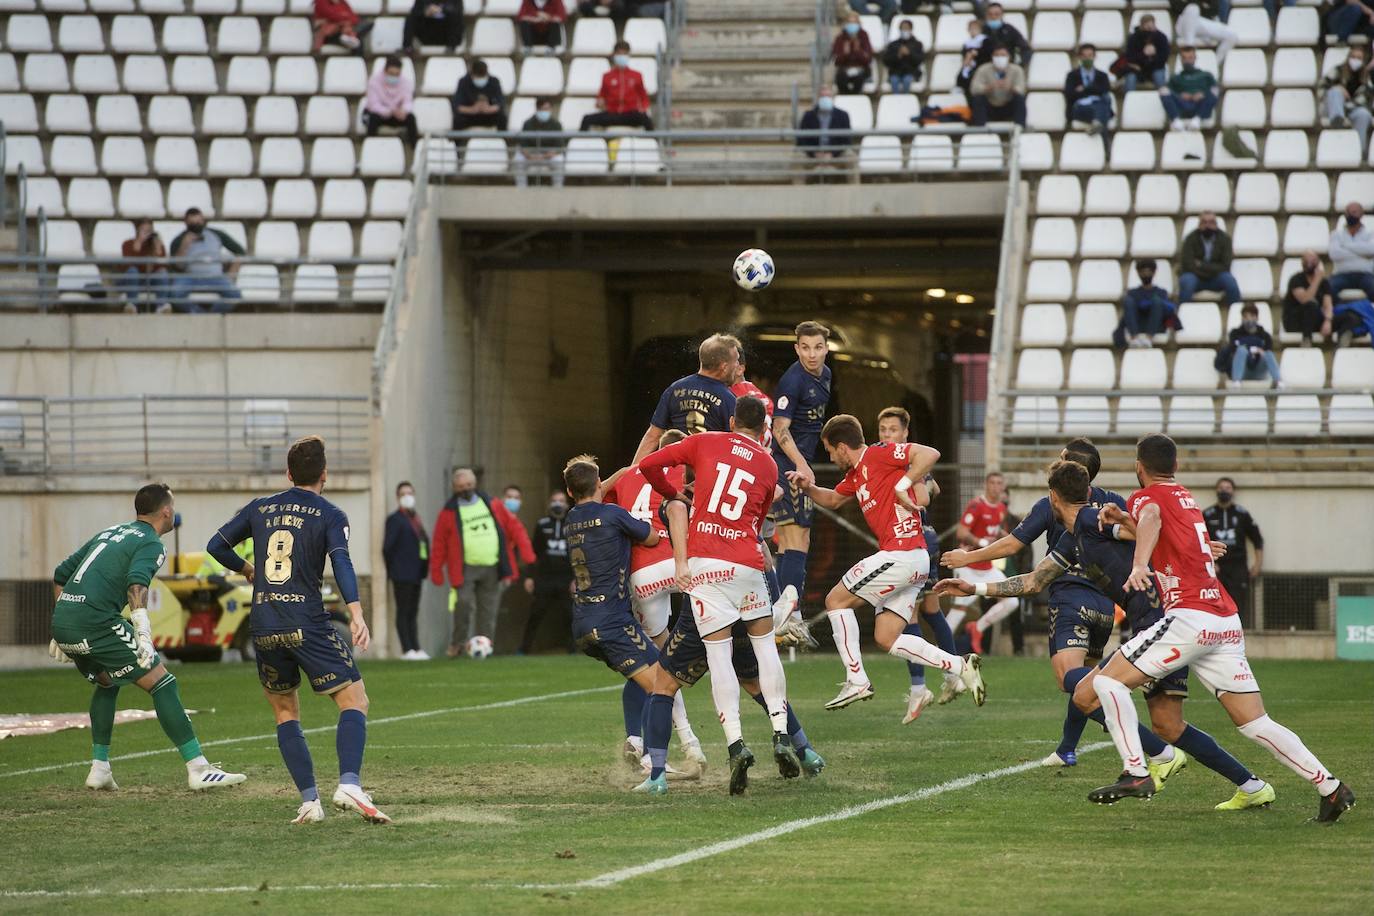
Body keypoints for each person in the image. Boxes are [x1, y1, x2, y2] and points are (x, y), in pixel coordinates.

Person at [934, 460, 1275, 812]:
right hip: (1152, 623)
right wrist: (972, 586)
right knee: (1166, 723)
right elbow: (1034, 581)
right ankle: (1250, 785)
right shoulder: (1073, 538)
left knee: (1088, 692)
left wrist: (1192, 545)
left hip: (1164, 625)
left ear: (1053, 496)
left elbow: (1141, 529)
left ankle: (1140, 766)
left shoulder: (1094, 520)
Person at [1088, 434, 1353, 822]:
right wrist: (1123, 519)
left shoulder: (1145, 497)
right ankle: (1330, 787)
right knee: (1254, 722)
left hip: (1191, 618)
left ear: (1138, 467)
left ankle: (1136, 772)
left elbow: (1150, 519)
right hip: (1225, 620)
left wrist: (1139, 563)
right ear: (1175, 467)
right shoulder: (1186, 496)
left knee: (1106, 683)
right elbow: (1159, 528)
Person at [206, 436, 385, 824]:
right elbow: (341, 562)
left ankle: (309, 802)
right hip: (307, 621)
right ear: (325, 475)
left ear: (288, 474)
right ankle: (350, 784)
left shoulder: (259, 507)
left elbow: (215, 545)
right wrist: (356, 613)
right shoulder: (330, 514)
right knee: (355, 701)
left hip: (264, 623)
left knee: (286, 711)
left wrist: (246, 569)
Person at [638, 396, 798, 796]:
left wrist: (671, 493)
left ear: (730, 420)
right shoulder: (768, 462)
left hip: (706, 565)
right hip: (746, 563)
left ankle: (736, 744)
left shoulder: (706, 441)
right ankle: (781, 734)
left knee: (718, 656)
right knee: (764, 650)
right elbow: (758, 520)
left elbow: (648, 465)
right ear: (764, 429)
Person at [48, 483, 245, 793]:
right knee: (162, 682)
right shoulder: (151, 542)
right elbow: (137, 584)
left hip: (64, 623)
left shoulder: (110, 532)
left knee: (107, 681)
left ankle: (100, 768)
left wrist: (64, 621)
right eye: (174, 507)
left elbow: (61, 574)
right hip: (97, 622)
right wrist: (141, 628)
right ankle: (198, 768)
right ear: (166, 511)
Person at [941, 440, 1123, 766]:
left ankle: (1128, 726)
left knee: (1071, 680)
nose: (1057, 461)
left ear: (1073, 467)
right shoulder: (1112, 503)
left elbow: (1013, 544)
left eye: (1062, 458)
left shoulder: (1053, 501)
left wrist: (967, 557)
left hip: (1069, 599)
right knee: (1083, 683)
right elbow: (1143, 530)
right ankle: (1067, 748)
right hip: (1106, 605)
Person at [791, 415, 985, 712]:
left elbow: (930, 454)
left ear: (842, 447)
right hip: (912, 559)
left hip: (902, 554)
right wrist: (807, 487)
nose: (830, 457)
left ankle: (856, 679)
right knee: (886, 637)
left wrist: (903, 484)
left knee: (835, 600)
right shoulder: (857, 474)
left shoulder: (878, 453)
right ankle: (960, 666)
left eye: (830, 451)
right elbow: (831, 500)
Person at [600, 431, 706, 769]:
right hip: (681, 562)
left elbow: (597, 491)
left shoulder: (633, 473)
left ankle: (639, 738)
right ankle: (692, 742)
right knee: (705, 651)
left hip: (642, 577)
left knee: (649, 664)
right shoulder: (691, 472)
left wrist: (624, 470)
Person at [876, 406, 960, 723]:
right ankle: (952, 676)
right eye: (882, 430)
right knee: (931, 610)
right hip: (920, 541)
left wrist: (904, 486)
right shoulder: (900, 462)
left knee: (908, 613)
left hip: (914, 543)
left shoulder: (908, 462)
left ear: (905, 434)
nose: (887, 435)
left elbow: (924, 495)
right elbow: (933, 488)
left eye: (892, 430)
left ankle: (919, 687)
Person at [769, 322, 832, 615]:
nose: (812, 354)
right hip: (788, 465)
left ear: (826, 348)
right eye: (805, 348)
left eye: (817, 347)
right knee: (795, 537)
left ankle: (785, 613)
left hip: (799, 463)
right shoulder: (792, 381)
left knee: (795, 540)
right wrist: (801, 463)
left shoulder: (826, 375)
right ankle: (789, 616)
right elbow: (780, 428)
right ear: (797, 349)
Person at [429, 467, 517, 657]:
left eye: (468, 485)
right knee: (462, 603)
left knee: (488, 610)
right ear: (454, 488)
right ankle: (458, 644)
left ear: (475, 484)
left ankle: (486, 646)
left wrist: (514, 565)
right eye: (460, 486)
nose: (465, 489)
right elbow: (439, 543)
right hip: (465, 568)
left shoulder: (491, 503)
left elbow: (511, 528)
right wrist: (436, 570)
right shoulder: (448, 512)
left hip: (491, 566)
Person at [629, 332, 740, 463]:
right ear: (724, 366)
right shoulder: (729, 399)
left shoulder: (674, 389)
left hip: (673, 469)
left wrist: (633, 472)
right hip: (706, 473)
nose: (738, 366)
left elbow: (653, 435)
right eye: (736, 361)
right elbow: (736, 446)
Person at [944, 471, 1018, 658]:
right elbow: (961, 532)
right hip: (968, 564)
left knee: (1012, 600)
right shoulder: (976, 505)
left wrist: (1004, 536)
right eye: (992, 482)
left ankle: (977, 627)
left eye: (999, 483)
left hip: (987, 567)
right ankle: (939, 649)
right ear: (986, 485)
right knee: (959, 609)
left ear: (1003, 487)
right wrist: (982, 543)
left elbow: (995, 530)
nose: (995, 486)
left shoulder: (1001, 508)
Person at [519, 489, 574, 654]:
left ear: (567, 504)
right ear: (550, 504)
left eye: (561, 501)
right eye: (555, 501)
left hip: (566, 578)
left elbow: (580, 553)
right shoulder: (542, 525)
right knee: (536, 614)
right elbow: (533, 552)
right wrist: (529, 576)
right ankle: (524, 649)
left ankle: (573, 650)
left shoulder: (573, 525)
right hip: (545, 578)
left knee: (570, 615)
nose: (558, 504)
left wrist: (577, 579)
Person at [1204, 477, 1264, 626]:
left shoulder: (1242, 514)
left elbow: (1257, 540)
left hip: (1238, 567)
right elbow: (1198, 541)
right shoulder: (1207, 514)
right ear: (1216, 490)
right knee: (1215, 604)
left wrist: (1257, 564)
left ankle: (1237, 634)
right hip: (1216, 568)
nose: (1224, 490)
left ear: (1233, 491)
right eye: (1221, 487)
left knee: (1238, 604)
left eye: (1228, 488)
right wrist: (1210, 562)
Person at [382, 481, 429, 660]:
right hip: (402, 573)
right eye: (403, 494)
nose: (407, 497)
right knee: (403, 610)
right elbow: (387, 548)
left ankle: (416, 647)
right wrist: (393, 569)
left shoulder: (415, 518)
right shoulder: (395, 520)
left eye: (410, 493)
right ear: (398, 497)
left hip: (416, 573)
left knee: (412, 611)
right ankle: (407, 648)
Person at [167, 208, 244, 313]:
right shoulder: (179, 240)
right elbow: (177, 266)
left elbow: (240, 251)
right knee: (175, 294)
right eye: (192, 223)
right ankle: (198, 313)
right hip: (191, 277)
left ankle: (212, 315)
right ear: (186, 223)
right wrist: (184, 246)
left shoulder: (216, 234)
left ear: (203, 221)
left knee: (235, 295)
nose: (196, 225)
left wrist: (232, 272)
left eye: (198, 222)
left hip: (215, 276)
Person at [1283, 250, 1360, 348]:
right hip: (1295, 322)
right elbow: (1305, 299)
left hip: (1314, 320)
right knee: (1311, 304)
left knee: (1350, 317)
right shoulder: (1296, 279)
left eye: (1312, 260)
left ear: (1318, 262)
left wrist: (1327, 321)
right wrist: (1317, 279)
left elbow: (1327, 304)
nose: (1309, 263)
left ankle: (1341, 346)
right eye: (1306, 261)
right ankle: (1307, 341)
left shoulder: (1324, 282)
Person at [580, 42, 654, 131]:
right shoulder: (607, 76)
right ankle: (581, 144)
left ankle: (653, 144)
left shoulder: (637, 75)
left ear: (628, 55)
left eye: (624, 54)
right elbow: (601, 96)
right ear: (614, 55)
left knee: (646, 120)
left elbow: (644, 97)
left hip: (630, 114)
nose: (622, 56)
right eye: (619, 54)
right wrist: (600, 102)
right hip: (612, 114)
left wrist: (643, 107)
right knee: (587, 119)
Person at [1177, 210, 1241, 306]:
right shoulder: (1190, 239)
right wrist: (1211, 269)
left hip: (1216, 278)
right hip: (1195, 277)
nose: (1207, 226)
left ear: (1216, 225)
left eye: (1211, 222)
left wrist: (1201, 265)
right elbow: (1188, 265)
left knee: (1230, 281)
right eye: (1204, 222)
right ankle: (1182, 314)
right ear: (1199, 225)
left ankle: (1235, 315)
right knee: (1187, 282)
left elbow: (1225, 266)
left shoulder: (1225, 239)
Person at [1114, 258, 1180, 349]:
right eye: (1143, 271)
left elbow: (1167, 312)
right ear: (1138, 273)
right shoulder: (1132, 293)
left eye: (1148, 271)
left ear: (1154, 272)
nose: (1145, 274)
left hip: (1156, 327)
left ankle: (1149, 338)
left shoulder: (1161, 292)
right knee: (1128, 301)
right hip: (1137, 326)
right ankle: (1134, 338)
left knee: (1157, 302)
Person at [1321, 45, 1372, 159]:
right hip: (1332, 107)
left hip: (1352, 108)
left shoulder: (1365, 78)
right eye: (1353, 56)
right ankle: (1337, 121)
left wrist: (1346, 103)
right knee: (1335, 92)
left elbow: (1364, 99)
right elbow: (1322, 88)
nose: (1355, 60)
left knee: (1364, 114)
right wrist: (1338, 88)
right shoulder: (1337, 70)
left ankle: (1359, 149)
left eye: (1359, 58)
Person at [117, 218, 170, 314]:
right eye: (144, 230)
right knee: (132, 271)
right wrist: (138, 245)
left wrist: (158, 250)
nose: (147, 233)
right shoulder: (128, 244)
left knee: (162, 272)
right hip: (132, 279)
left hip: (151, 279)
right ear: (137, 231)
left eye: (149, 230)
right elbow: (126, 266)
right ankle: (132, 305)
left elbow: (163, 266)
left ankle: (161, 306)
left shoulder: (157, 244)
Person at [363, 55, 418, 147]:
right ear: (385, 71)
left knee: (411, 118)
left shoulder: (406, 83)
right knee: (373, 118)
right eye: (391, 73)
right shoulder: (374, 81)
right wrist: (390, 111)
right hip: (379, 114)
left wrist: (403, 111)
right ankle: (370, 147)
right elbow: (374, 105)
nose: (394, 77)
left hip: (397, 114)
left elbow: (408, 102)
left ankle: (415, 148)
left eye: (397, 74)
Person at [1160, 45, 1219, 131]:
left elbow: (1216, 89)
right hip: (1182, 106)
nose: (1187, 61)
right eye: (1184, 58)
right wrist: (1180, 95)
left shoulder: (1206, 75)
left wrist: (1203, 94)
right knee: (1163, 91)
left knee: (1215, 90)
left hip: (1201, 105)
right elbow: (1169, 93)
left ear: (1195, 58)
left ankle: (1197, 120)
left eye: (1190, 57)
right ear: (1181, 60)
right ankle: (1176, 121)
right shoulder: (1175, 78)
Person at [1064, 43, 1113, 141]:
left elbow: (1105, 90)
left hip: (1099, 106)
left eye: (1090, 56)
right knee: (1104, 110)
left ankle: (1096, 124)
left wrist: (1085, 89)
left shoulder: (1102, 76)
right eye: (1084, 56)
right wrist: (1094, 90)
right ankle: (1106, 150)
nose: (1087, 59)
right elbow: (1070, 95)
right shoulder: (1072, 75)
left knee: (1104, 103)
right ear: (1080, 57)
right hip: (1080, 109)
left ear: (1095, 57)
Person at [1225, 304, 1281, 385]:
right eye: (1245, 317)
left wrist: (1260, 352)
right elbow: (1233, 349)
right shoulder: (1234, 334)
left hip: (1259, 370)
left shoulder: (1265, 336)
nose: (1249, 319)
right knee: (1241, 350)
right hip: (1243, 370)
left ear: (1257, 317)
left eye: (1252, 316)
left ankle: (1279, 381)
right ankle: (1236, 382)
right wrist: (1250, 350)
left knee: (1268, 354)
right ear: (1242, 318)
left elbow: (1268, 349)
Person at [1328, 201, 1374, 301]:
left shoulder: (1370, 233)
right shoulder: (1336, 234)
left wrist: (1345, 246)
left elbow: (1371, 250)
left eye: (1354, 212)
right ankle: (1339, 313)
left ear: (1361, 214)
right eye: (1348, 212)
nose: (1350, 215)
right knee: (1327, 289)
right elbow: (1334, 254)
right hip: (1342, 275)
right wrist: (1362, 254)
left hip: (1365, 275)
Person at [516, 96, 565, 188]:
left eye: (547, 109)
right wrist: (530, 156)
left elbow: (559, 145)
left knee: (559, 160)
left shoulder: (556, 124)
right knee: (519, 159)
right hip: (531, 155)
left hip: (548, 156)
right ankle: (521, 188)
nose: (545, 112)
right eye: (542, 109)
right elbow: (523, 145)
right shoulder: (528, 123)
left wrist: (545, 156)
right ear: (537, 109)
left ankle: (558, 188)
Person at [969, 50, 1027, 127]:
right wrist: (988, 87)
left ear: (1009, 57)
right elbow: (974, 89)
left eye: (1003, 55)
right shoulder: (983, 69)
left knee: (1019, 99)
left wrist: (1011, 88)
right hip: (990, 107)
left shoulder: (1017, 70)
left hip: (1008, 106)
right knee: (978, 99)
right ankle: (980, 129)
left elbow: (1021, 90)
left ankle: (1019, 128)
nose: (1000, 58)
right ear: (992, 57)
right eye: (996, 55)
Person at [796, 87, 853, 162]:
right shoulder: (808, 115)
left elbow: (847, 141)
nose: (825, 98)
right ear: (818, 98)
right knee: (797, 158)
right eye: (822, 96)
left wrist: (832, 154)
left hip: (836, 154)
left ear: (833, 98)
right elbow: (801, 140)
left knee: (851, 157)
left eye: (828, 96)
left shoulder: (843, 115)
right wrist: (814, 153)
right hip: (813, 154)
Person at [452, 59, 507, 137]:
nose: (481, 79)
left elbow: (501, 102)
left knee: (502, 118)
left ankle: (504, 143)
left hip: (489, 115)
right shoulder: (463, 82)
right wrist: (472, 109)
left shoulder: (494, 81)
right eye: (478, 76)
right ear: (472, 74)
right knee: (457, 120)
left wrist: (490, 108)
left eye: (483, 76)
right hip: (470, 116)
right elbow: (456, 105)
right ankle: (456, 147)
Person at [1172, 1, 1237, 63]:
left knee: (1232, 36)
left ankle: (1214, 65)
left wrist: (1199, 6)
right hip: (1185, 22)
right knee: (1192, 8)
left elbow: (1214, 9)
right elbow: (1177, 6)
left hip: (1203, 21)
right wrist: (1201, 5)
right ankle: (1190, 49)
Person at [1120, 13, 1170, 93]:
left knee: (1159, 77)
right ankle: (1129, 101)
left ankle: (1165, 99)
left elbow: (1164, 57)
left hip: (1156, 67)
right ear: (1141, 26)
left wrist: (1154, 56)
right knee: (1130, 78)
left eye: (1151, 26)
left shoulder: (1161, 37)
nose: (1149, 29)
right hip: (1137, 69)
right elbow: (1129, 57)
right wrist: (1144, 54)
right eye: (1146, 26)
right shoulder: (1133, 38)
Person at [499, 484, 536, 587]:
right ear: (502, 499)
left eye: (516, 498)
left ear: (521, 502)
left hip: (507, 570)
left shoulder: (517, 523)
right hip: (498, 570)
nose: (512, 500)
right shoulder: (496, 520)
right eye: (509, 497)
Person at [832, 11, 874, 94]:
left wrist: (858, 51)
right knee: (840, 77)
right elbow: (837, 61)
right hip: (844, 68)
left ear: (859, 23)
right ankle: (845, 97)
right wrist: (845, 53)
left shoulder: (864, 36)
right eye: (850, 22)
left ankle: (856, 97)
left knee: (859, 78)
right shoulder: (840, 38)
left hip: (861, 68)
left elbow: (868, 59)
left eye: (854, 22)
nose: (852, 25)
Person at [883, 18, 924, 94]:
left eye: (907, 28)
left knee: (907, 80)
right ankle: (896, 101)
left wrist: (909, 54)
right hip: (895, 72)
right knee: (894, 80)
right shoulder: (893, 44)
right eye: (903, 28)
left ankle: (906, 100)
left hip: (911, 72)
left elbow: (919, 60)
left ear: (911, 29)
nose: (905, 30)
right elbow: (886, 60)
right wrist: (898, 55)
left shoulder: (917, 44)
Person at [957, 18, 986, 94]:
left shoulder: (984, 40)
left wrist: (974, 54)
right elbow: (964, 56)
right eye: (971, 29)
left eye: (975, 28)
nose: (973, 31)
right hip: (969, 66)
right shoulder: (967, 43)